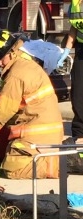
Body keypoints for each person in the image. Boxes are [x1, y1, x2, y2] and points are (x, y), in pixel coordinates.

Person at [0, 30, 64, 179]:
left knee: (12, 171)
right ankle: (61, 156)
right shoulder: (24, 65)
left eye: (1, 59)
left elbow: (4, 109)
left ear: (11, 52)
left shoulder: (16, 75)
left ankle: (62, 163)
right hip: (43, 130)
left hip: (37, 134)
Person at [57, 0, 83, 140]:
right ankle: (79, 137)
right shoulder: (75, 3)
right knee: (78, 94)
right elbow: (74, 27)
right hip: (81, 49)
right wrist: (67, 49)